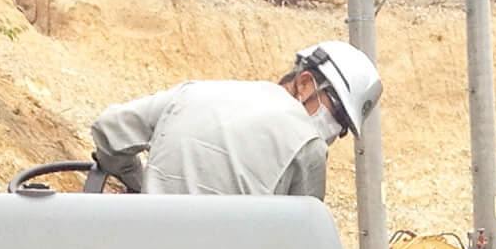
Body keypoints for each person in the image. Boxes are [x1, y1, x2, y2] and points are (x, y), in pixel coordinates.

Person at [88, 40, 381, 198]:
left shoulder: (192, 94)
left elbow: (108, 130)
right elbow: (301, 246)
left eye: (343, 128)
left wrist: (138, 183)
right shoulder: (309, 145)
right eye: (338, 113)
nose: (336, 130)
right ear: (305, 84)